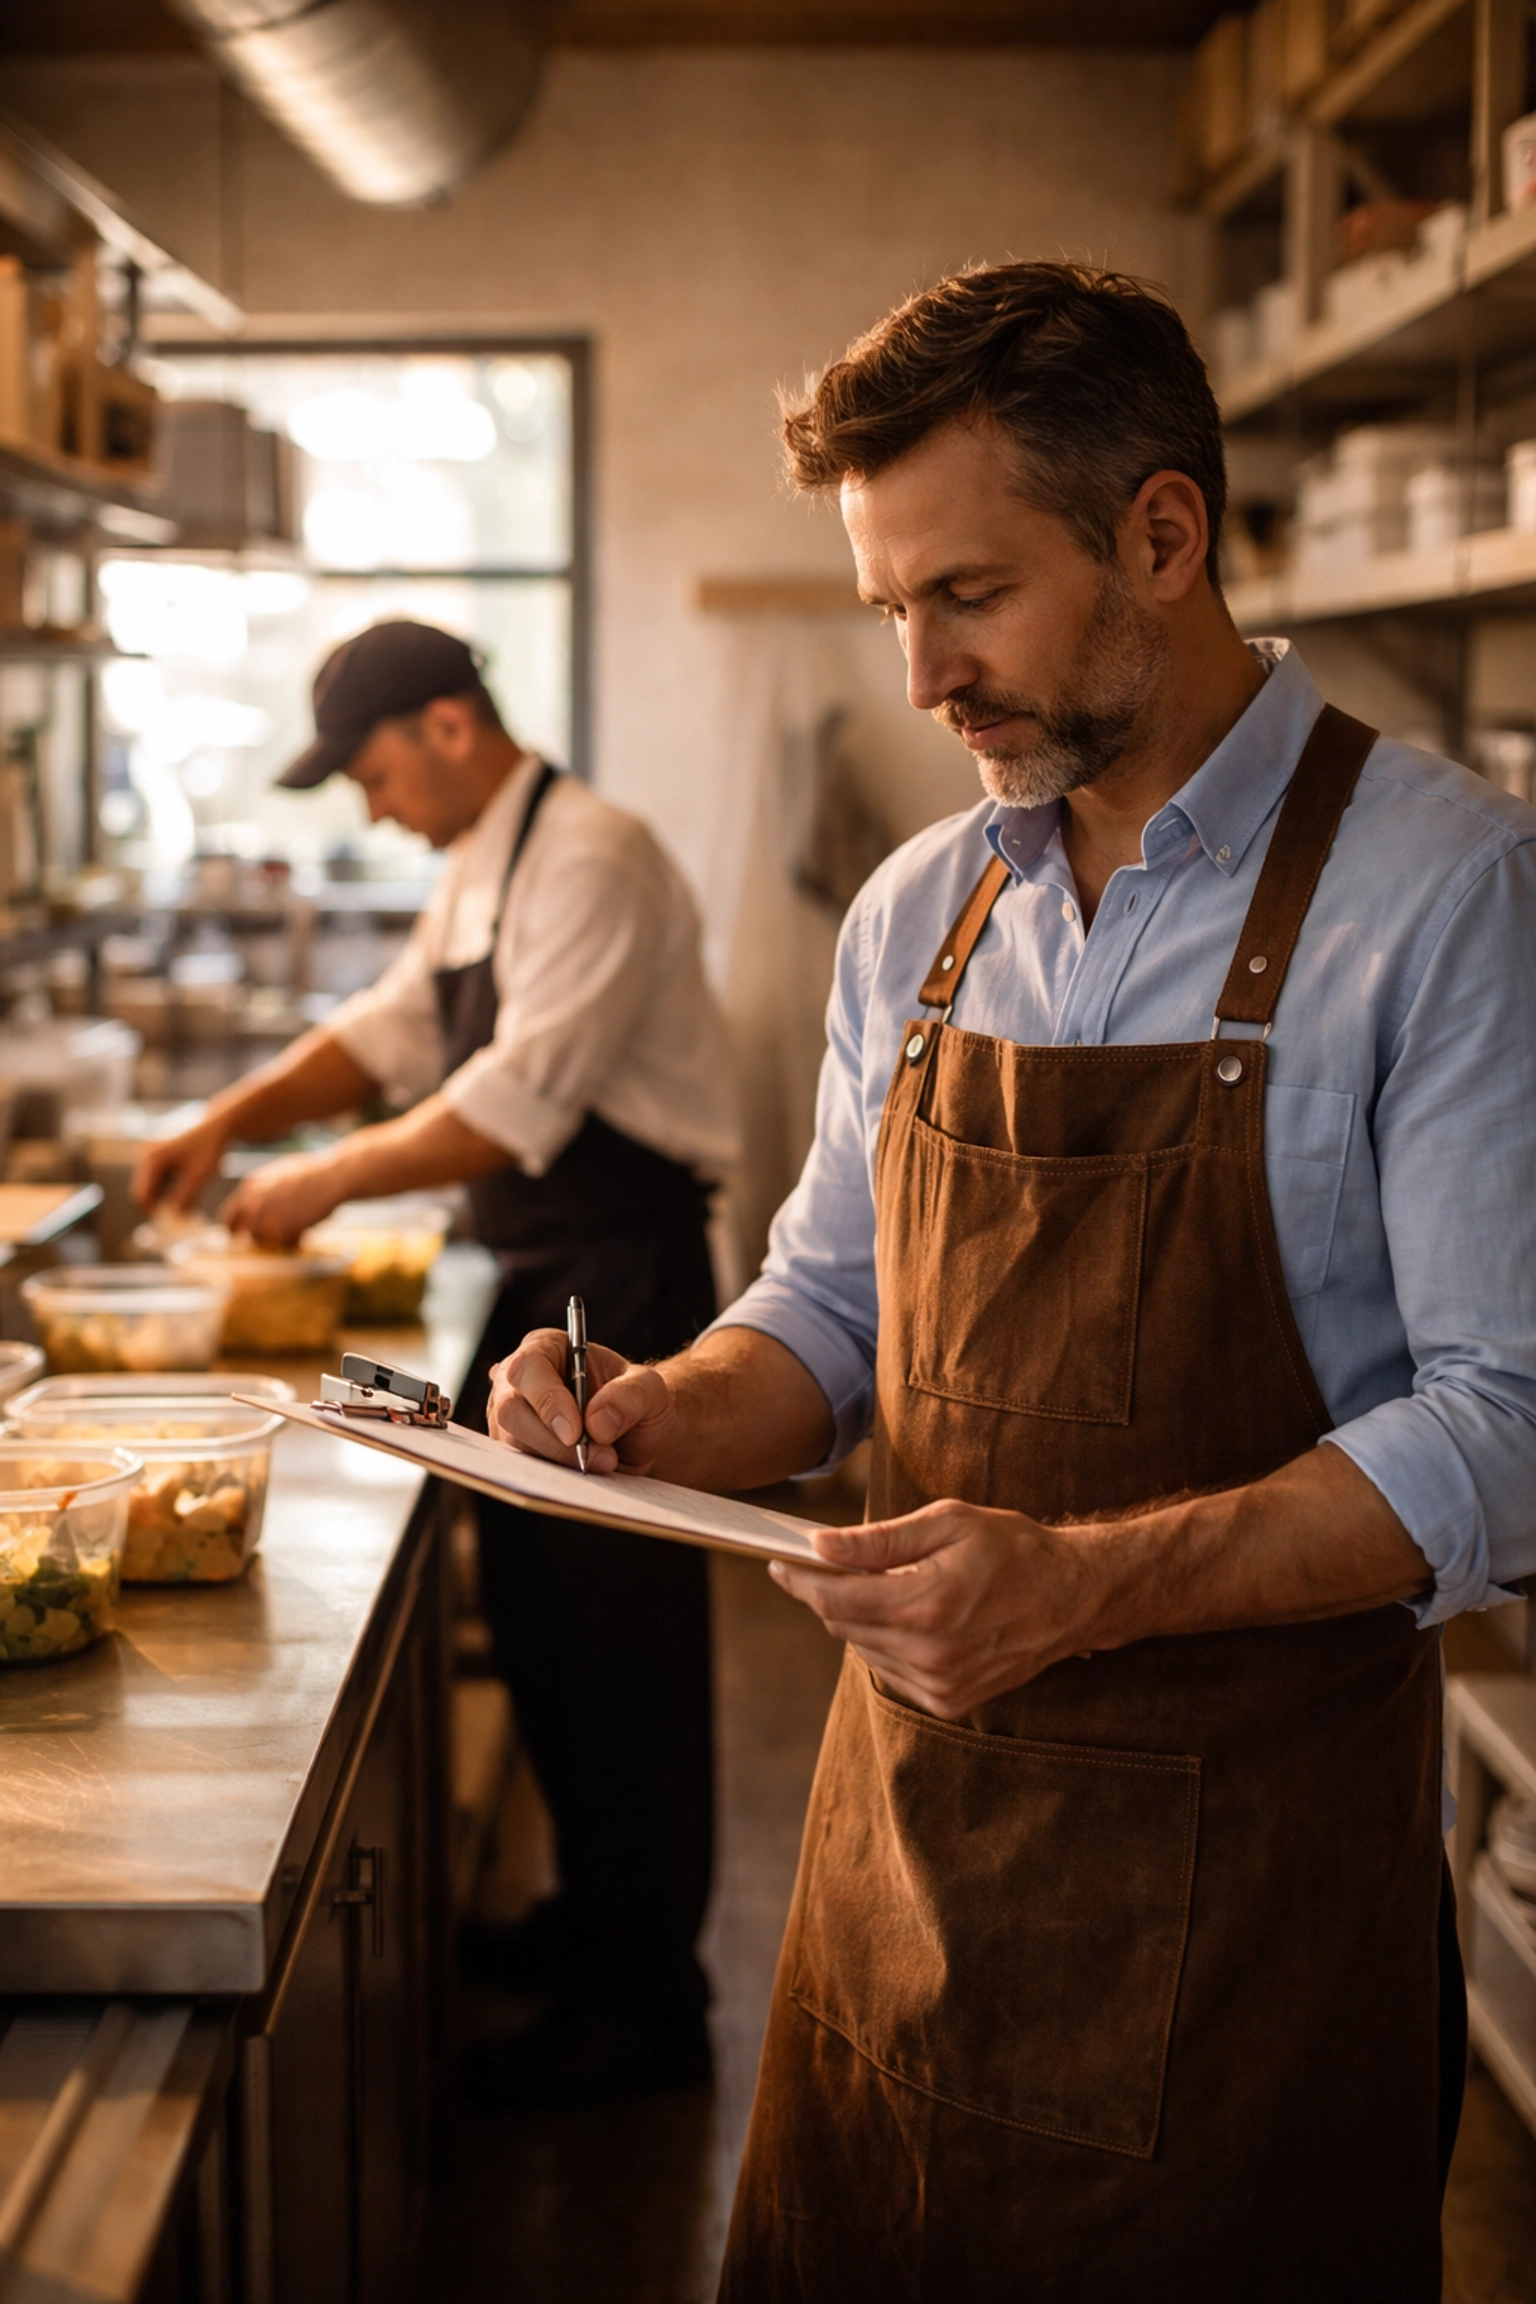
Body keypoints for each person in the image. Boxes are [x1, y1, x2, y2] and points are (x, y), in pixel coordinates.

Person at [487, 262, 1536, 2299]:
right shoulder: (925, 910)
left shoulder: (1444, 895)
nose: (919, 678)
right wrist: (664, 1408)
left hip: (1255, 1896)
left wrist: (1084, 1582)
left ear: (1163, 535)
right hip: (910, 1849)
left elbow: (1511, 1426)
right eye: (893, 608)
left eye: (965, 597)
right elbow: (832, 1310)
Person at [134, 618, 738, 2108]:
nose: (369, 805)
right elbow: (394, 1030)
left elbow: (509, 1100)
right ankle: (595, 1926)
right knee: (540, 1622)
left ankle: (647, 2007)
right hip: (546, 1280)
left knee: (619, 1646)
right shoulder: (485, 859)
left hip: (625, 1289)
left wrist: (321, 1180)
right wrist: (236, 1118)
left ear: (451, 726)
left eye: (374, 767)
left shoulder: (591, 853)